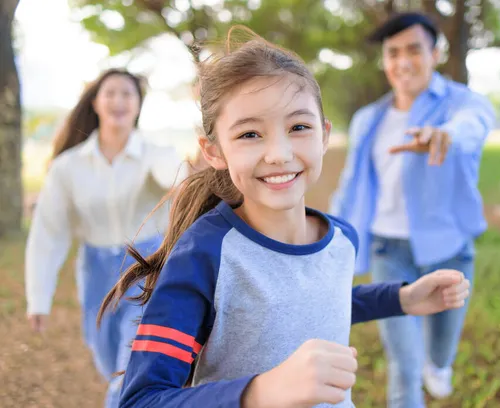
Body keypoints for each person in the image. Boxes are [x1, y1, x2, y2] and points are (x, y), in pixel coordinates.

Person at [97, 26, 471, 408]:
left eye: (298, 127)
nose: (278, 153)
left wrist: (402, 297)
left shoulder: (342, 238)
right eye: (249, 135)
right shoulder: (204, 254)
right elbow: (142, 399)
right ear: (213, 151)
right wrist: (261, 392)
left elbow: (314, 298)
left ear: (323, 135)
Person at [329, 12, 496, 408]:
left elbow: (475, 124)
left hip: (450, 249)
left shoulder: (461, 104)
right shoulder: (368, 119)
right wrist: (330, 238)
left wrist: (446, 136)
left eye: (414, 50)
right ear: (385, 60)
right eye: (393, 53)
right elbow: (352, 185)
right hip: (390, 252)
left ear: (435, 53)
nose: (403, 62)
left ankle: (438, 364)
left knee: (439, 354)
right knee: (404, 365)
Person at [24, 68, 198, 408]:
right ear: (96, 102)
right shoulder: (68, 167)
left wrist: (181, 179)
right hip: (96, 274)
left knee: (129, 367)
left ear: (138, 105)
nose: (118, 101)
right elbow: (48, 233)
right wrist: (38, 298)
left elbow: (176, 177)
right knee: (107, 360)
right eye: (110, 93)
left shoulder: (155, 153)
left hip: (147, 267)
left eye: (127, 94)